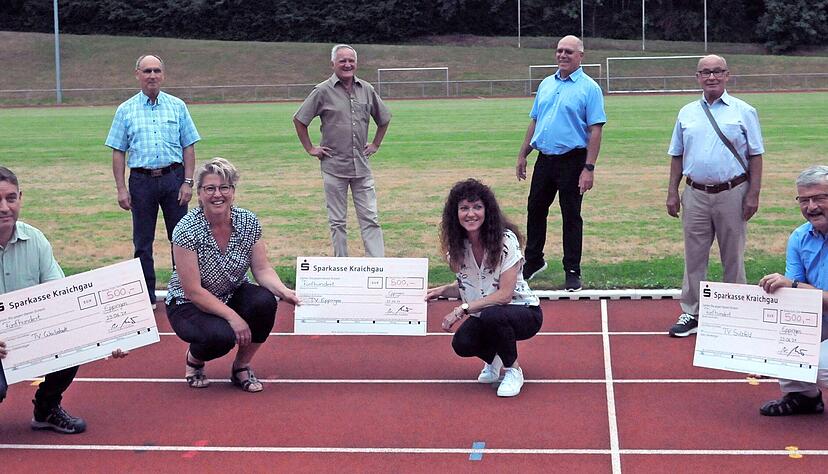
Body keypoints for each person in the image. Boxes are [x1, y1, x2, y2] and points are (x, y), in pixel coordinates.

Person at [0, 166, 126, 434]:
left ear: (20, 198)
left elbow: (63, 303)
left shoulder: (35, 240)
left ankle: (46, 408)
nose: (4, 207)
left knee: (72, 341)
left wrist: (109, 337)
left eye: (10, 198)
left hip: (27, 337)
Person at [165, 158, 299, 392]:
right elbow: (193, 291)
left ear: (233, 192)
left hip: (231, 292)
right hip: (189, 303)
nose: (218, 194)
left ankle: (241, 367)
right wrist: (233, 318)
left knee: (265, 301)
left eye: (224, 187)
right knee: (222, 337)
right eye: (210, 188)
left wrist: (284, 291)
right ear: (199, 193)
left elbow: (262, 269)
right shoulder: (186, 229)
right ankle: (195, 359)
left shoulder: (248, 221)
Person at [666, 54, 764, 337]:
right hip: (695, 192)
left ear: (727, 75)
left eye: (717, 72)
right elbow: (677, 155)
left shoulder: (744, 111)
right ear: (697, 77)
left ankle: (735, 314)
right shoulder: (687, 112)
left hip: (733, 191)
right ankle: (692, 312)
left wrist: (753, 194)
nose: (711, 77)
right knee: (694, 256)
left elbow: (756, 155)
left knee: (732, 254)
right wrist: (673, 191)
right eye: (705, 72)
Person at [426, 179, 542, 397]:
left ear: (487, 211)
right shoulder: (457, 249)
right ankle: (496, 358)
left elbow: (505, 295)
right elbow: (469, 286)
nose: (471, 214)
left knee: (492, 314)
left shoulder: (506, 241)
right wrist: (441, 291)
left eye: (477, 207)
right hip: (489, 313)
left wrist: (462, 310)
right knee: (462, 343)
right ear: (455, 214)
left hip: (524, 312)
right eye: (464, 208)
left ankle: (514, 371)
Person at [106, 54, 201, 308]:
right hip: (141, 182)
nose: (152, 76)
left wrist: (188, 182)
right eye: (147, 71)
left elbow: (188, 146)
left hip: (174, 178)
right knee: (142, 242)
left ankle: (181, 290)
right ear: (137, 74)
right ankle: (147, 296)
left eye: (157, 71)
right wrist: (121, 188)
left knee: (181, 238)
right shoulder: (125, 110)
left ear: (163, 75)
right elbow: (118, 150)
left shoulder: (177, 106)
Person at [516, 35, 606, 291]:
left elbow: (595, 130)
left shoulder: (590, 88)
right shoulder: (546, 84)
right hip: (545, 159)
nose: (562, 55)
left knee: (571, 215)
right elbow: (535, 120)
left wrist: (589, 168)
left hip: (573, 160)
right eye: (559, 51)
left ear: (580, 56)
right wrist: (523, 153)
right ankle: (534, 260)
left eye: (568, 51)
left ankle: (572, 269)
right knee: (535, 209)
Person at [293, 44, 392, 258]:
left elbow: (384, 118)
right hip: (334, 167)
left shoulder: (367, 89)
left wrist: (375, 144)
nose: (347, 65)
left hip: (362, 168)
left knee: (370, 218)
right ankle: (341, 267)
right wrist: (311, 148)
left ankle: (377, 265)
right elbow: (300, 120)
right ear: (333, 64)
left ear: (356, 63)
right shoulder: (322, 91)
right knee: (337, 221)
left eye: (351, 61)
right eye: (342, 61)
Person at [757, 165, 828, 416]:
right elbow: (793, 297)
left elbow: (795, 286)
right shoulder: (799, 237)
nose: (812, 207)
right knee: (779, 331)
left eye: (820, 198)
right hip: (822, 316)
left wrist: (795, 286)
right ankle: (803, 396)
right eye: (804, 200)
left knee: (818, 363)